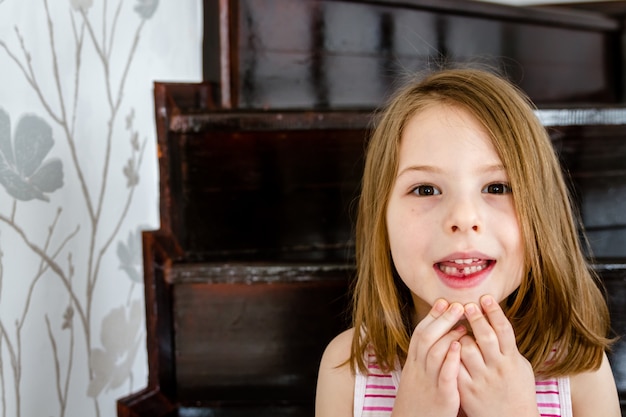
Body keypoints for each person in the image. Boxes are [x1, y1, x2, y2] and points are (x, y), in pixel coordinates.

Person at [315, 67, 621, 417]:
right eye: (425, 189)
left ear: (541, 214)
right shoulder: (348, 367)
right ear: (380, 218)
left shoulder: (579, 371)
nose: (463, 218)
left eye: (496, 187)